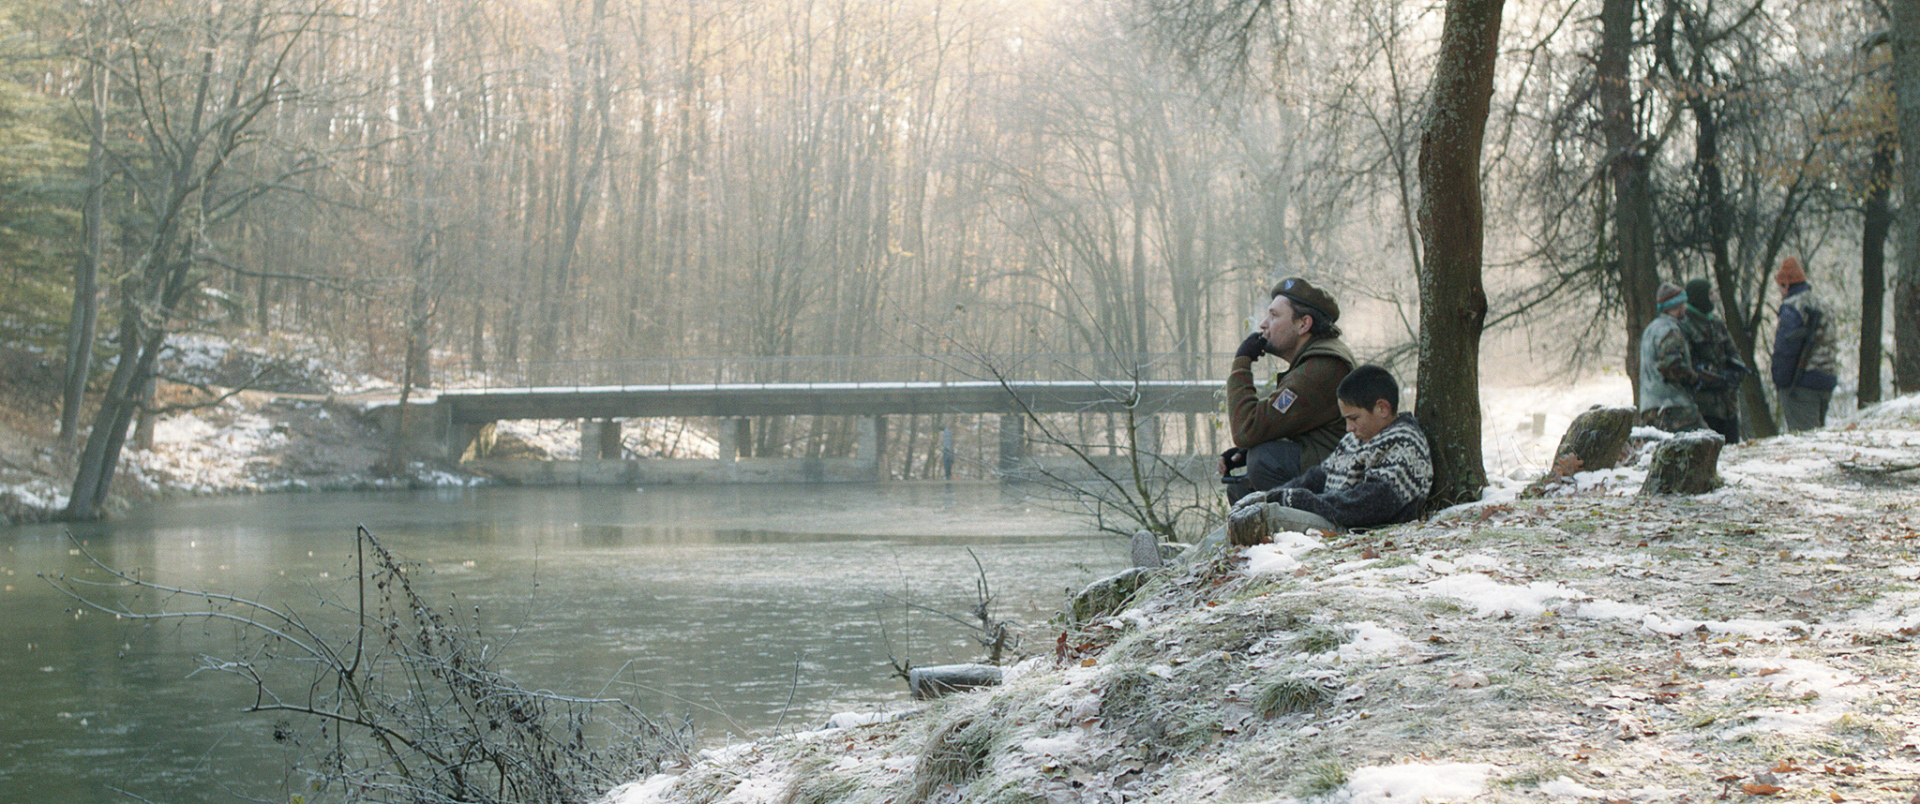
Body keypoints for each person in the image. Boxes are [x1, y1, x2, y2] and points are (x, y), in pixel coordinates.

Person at [1240, 364, 1433, 533]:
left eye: (1354, 418)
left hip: (1355, 528)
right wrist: (1274, 495)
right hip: (1333, 517)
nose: (1348, 428)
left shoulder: (1405, 444)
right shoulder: (1357, 439)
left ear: (1382, 408)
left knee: (1264, 518)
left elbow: (1368, 505)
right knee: (1252, 510)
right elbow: (1318, 476)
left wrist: (1299, 500)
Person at [1220, 277, 1355, 504]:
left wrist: (1241, 363)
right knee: (1241, 489)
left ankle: (1307, 522)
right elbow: (1286, 424)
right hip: (1330, 467)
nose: (1263, 324)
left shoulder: (1320, 368)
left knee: (1263, 460)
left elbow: (1247, 428)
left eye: (1274, 316)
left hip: (1341, 480)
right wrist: (1245, 449)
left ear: (1303, 324)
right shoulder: (1318, 359)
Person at [1770, 256, 1839, 432]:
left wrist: (1781, 382)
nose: (1780, 292)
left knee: (1804, 439)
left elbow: (1786, 350)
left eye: (1780, 286)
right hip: (1827, 379)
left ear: (1786, 284)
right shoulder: (1823, 304)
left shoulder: (1793, 306)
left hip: (1802, 385)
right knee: (1818, 436)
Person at [1680, 278, 1747, 444]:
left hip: (1728, 406)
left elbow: (1732, 353)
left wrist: (1735, 373)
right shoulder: (1685, 326)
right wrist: (1716, 378)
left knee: (1733, 450)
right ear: (1700, 297)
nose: (1714, 298)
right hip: (1705, 408)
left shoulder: (1716, 323)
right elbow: (1688, 368)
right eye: (1710, 294)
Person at [1637, 282, 1708, 434]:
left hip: (1649, 408)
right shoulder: (1670, 329)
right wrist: (1694, 378)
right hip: (1673, 407)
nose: (1686, 307)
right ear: (1678, 305)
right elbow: (1671, 365)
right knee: (1708, 441)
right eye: (1684, 303)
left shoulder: (1650, 329)